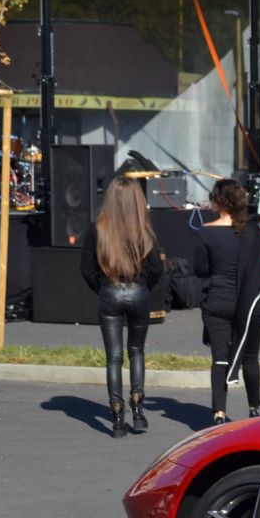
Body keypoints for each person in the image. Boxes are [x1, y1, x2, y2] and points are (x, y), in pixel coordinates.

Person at [80, 177, 166, 439]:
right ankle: (138, 408)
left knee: (113, 357)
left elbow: (86, 269)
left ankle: (117, 416)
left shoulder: (97, 229)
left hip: (110, 291)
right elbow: (157, 269)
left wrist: (103, 288)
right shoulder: (143, 230)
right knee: (136, 352)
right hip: (138, 291)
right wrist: (142, 288)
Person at [193, 178, 260, 425]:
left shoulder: (206, 232)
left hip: (217, 302)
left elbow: (200, 268)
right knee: (251, 357)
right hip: (250, 304)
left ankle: (218, 413)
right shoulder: (253, 232)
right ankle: (254, 409)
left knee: (219, 358)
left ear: (218, 201)